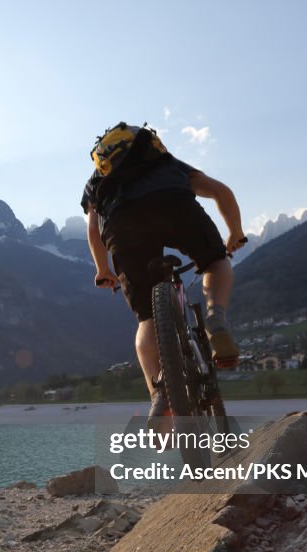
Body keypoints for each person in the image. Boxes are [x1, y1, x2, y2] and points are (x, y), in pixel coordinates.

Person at [82, 126, 246, 422]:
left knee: (147, 317)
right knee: (215, 262)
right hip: (174, 204)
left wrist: (103, 269)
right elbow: (222, 192)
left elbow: (93, 230)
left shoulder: (97, 181)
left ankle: (159, 393)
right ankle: (216, 318)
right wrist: (235, 233)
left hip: (122, 224)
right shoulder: (166, 163)